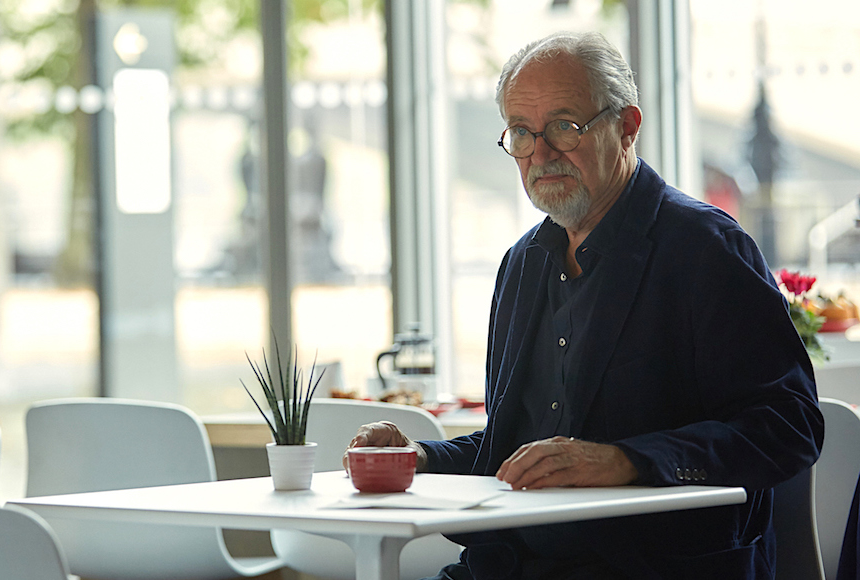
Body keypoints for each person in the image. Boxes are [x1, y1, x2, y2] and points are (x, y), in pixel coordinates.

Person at [345, 31, 823, 579]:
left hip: (654, 568)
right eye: (521, 132)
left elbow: (789, 427)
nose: (541, 153)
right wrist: (420, 456)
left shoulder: (705, 249)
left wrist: (626, 461)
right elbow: (514, 449)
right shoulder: (522, 263)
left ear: (627, 127)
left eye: (564, 126)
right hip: (509, 566)